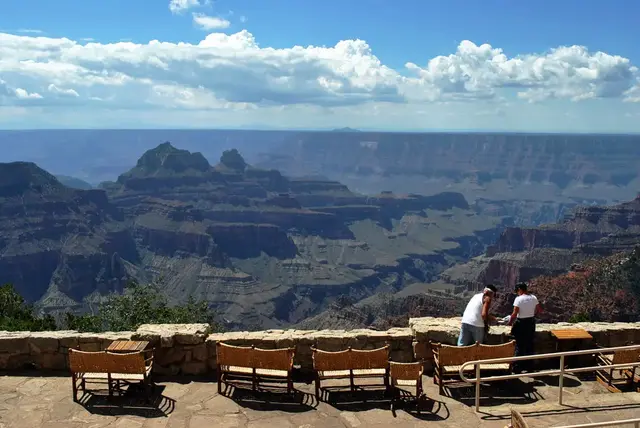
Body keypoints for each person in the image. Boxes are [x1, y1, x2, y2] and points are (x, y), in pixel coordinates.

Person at [508, 282, 542, 373]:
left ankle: (517, 367)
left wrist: (510, 322)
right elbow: (539, 310)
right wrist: (532, 315)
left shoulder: (518, 299)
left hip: (521, 323)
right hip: (531, 323)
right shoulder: (533, 297)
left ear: (520, 289)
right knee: (530, 344)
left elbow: (514, 313)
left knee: (519, 345)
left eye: (517, 291)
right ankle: (529, 367)